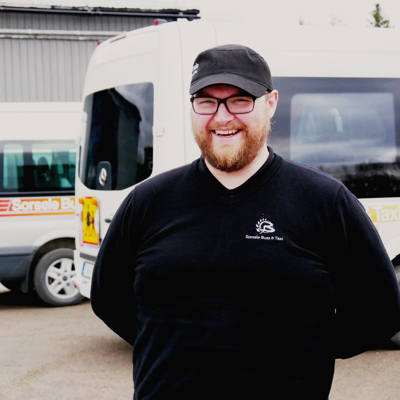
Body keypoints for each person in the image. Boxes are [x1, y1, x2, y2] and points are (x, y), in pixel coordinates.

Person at [90, 44, 400, 400]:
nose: (222, 117)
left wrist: (307, 350)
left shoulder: (324, 201)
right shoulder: (147, 202)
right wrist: (168, 341)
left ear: (270, 103)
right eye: (206, 101)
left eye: (240, 100)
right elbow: (109, 299)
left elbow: (380, 310)